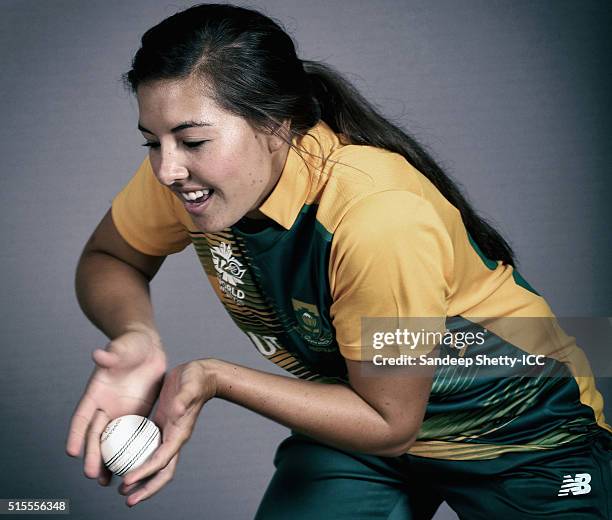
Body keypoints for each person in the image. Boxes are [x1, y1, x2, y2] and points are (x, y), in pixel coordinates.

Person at [65, 3, 611, 518]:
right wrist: (136, 334)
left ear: (277, 124)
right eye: (152, 143)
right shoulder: (188, 180)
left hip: (523, 433)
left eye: (192, 141)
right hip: (362, 424)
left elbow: (390, 422)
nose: (166, 170)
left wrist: (211, 377)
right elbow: (110, 256)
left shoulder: (377, 216)